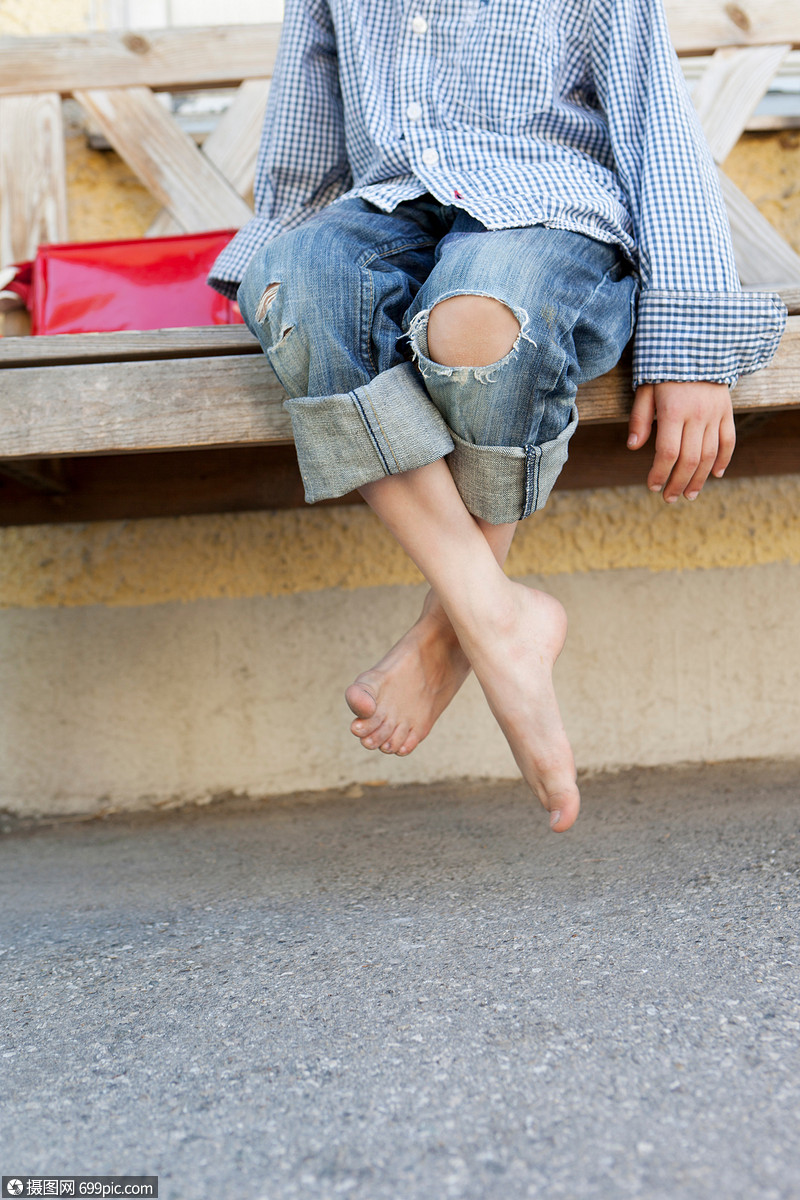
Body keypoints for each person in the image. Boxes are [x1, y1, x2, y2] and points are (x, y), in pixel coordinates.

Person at [210, 0, 786, 833]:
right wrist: (278, 286)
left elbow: (658, 133)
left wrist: (691, 342)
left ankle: (456, 628)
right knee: (296, 284)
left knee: (478, 320)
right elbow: (304, 148)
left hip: (547, 215)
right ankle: (492, 612)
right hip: (388, 212)